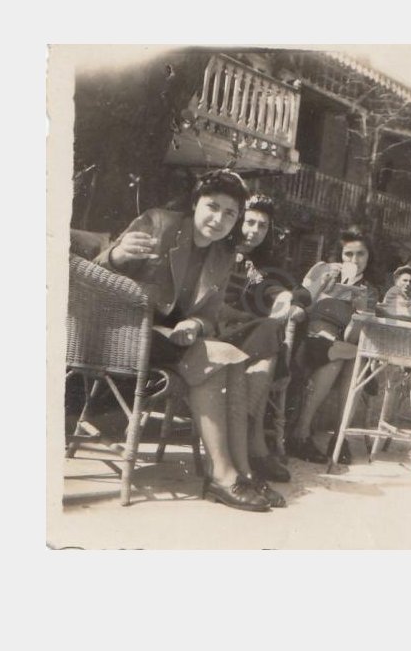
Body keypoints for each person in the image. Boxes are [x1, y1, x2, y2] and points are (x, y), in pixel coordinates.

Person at [97, 170, 278, 512]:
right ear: (195, 203)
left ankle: (242, 472)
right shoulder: (159, 223)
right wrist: (117, 256)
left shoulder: (223, 255)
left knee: (232, 361)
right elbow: (94, 275)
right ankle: (222, 474)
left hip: (173, 343)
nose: (219, 219)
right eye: (212, 207)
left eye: (230, 214)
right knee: (218, 356)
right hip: (126, 333)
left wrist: (194, 323)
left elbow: (210, 314)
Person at [216, 194, 297, 487]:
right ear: (239, 220)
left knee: (269, 333)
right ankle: (256, 446)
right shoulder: (218, 246)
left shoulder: (260, 262)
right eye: (250, 222)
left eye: (262, 226)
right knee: (269, 334)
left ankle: (249, 434)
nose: (254, 231)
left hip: (239, 329)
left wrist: (284, 296)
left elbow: (277, 286)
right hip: (212, 324)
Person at [287, 226, 380, 464]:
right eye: (349, 254)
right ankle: (301, 433)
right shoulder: (324, 271)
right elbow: (302, 306)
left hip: (341, 344)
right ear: (340, 255)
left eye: (360, 254)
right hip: (310, 339)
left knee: (348, 361)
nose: (354, 260)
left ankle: (338, 438)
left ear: (369, 257)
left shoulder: (369, 291)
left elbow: (351, 337)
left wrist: (360, 312)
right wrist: (321, 286)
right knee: (347, 356)